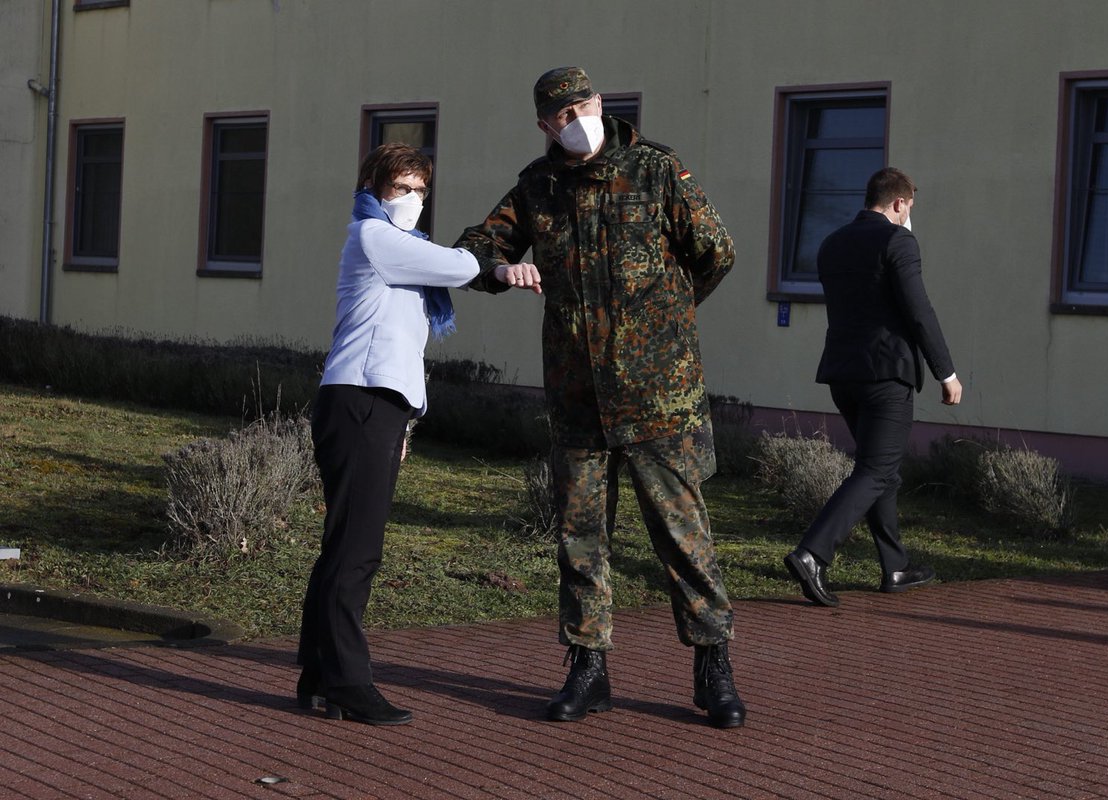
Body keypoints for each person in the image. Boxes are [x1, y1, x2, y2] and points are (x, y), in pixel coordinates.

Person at [456, 67, 745, 729]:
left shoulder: (656, 170)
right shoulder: (539, 186)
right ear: (544, 125)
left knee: (684, 539)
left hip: (658, 397)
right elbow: (477, 246)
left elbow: (716, 251)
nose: (574, 119)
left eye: (582, 105)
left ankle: (713, 668)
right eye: (560, 114)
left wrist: (666, 320)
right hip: (579, 399)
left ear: (600, 103)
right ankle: (588, 667)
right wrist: (501, 269)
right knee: (580, 538)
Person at [297, 143, 540, 725]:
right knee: (358, 552)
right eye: (400, 188)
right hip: (359, 400)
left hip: (374, 405)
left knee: (345, 546)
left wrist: (403, 419)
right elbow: (456, 265)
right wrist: (501, 267)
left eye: (420, 190)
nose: (412, 200)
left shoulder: (404, 253)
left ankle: (317, 675)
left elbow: (403, 341)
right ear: (374, 188)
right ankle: (350, 683)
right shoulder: (374, 239)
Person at [783, 167, 963, 608]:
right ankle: (812, 553)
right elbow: (919, 310)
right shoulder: (898, 241)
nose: (908, 216)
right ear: (899, 203)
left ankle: (895, 567)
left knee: (882, 470)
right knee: (876, 470)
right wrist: (946, 372)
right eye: (909, 208)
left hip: (843, 374)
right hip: (887, 375)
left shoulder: (832, 243)